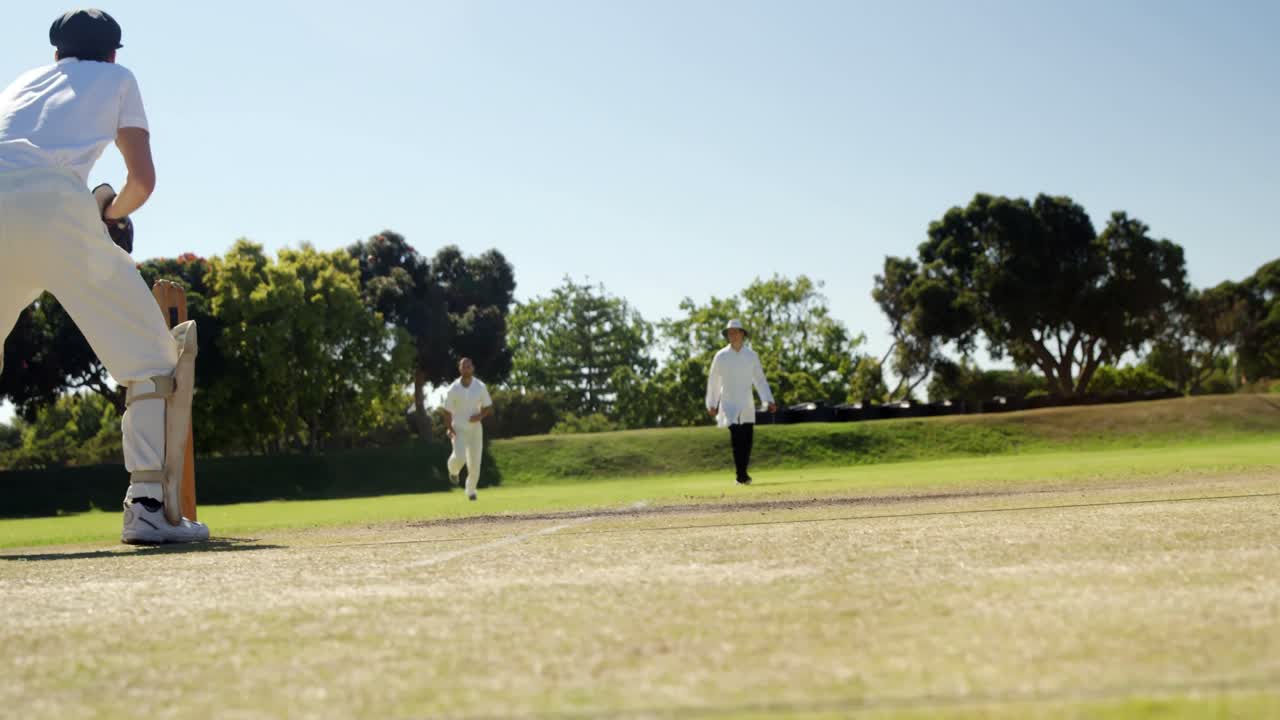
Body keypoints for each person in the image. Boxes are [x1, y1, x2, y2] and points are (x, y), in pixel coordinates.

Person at [0, 9, 208, 543]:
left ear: (56, 54)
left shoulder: (23, 82)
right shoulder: (119, 78)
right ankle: (146, 508)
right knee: (153, 361)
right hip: (54, 204)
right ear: (114, 53)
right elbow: (142, 179)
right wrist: (109, 213)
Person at [705, 320, 776, 485]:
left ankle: (743, 473)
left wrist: (768, 400)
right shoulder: (721, 356)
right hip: (728, 404)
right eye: (729, 332)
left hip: (746, 404)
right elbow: (714, 380)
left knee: (747, 441)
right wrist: (712, 403)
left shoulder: (751, 356)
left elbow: (759, 380)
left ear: (742, 334)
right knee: (737, 440)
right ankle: (741, 476)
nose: (732, 335)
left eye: (735, 332)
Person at [442, 357, 493, 501]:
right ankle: (453, 471)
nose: (466, 369)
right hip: (458, 428)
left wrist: (480, 416)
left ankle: (471, 491)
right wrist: (450, 428)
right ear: (460, 369)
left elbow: (488, 406)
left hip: (476, 430)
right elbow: (446, 411)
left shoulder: (480, 386)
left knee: (475, 464)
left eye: (469, 366)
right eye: (464, 366)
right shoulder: (453, 388)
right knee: (459, 457)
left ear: (473, 368)